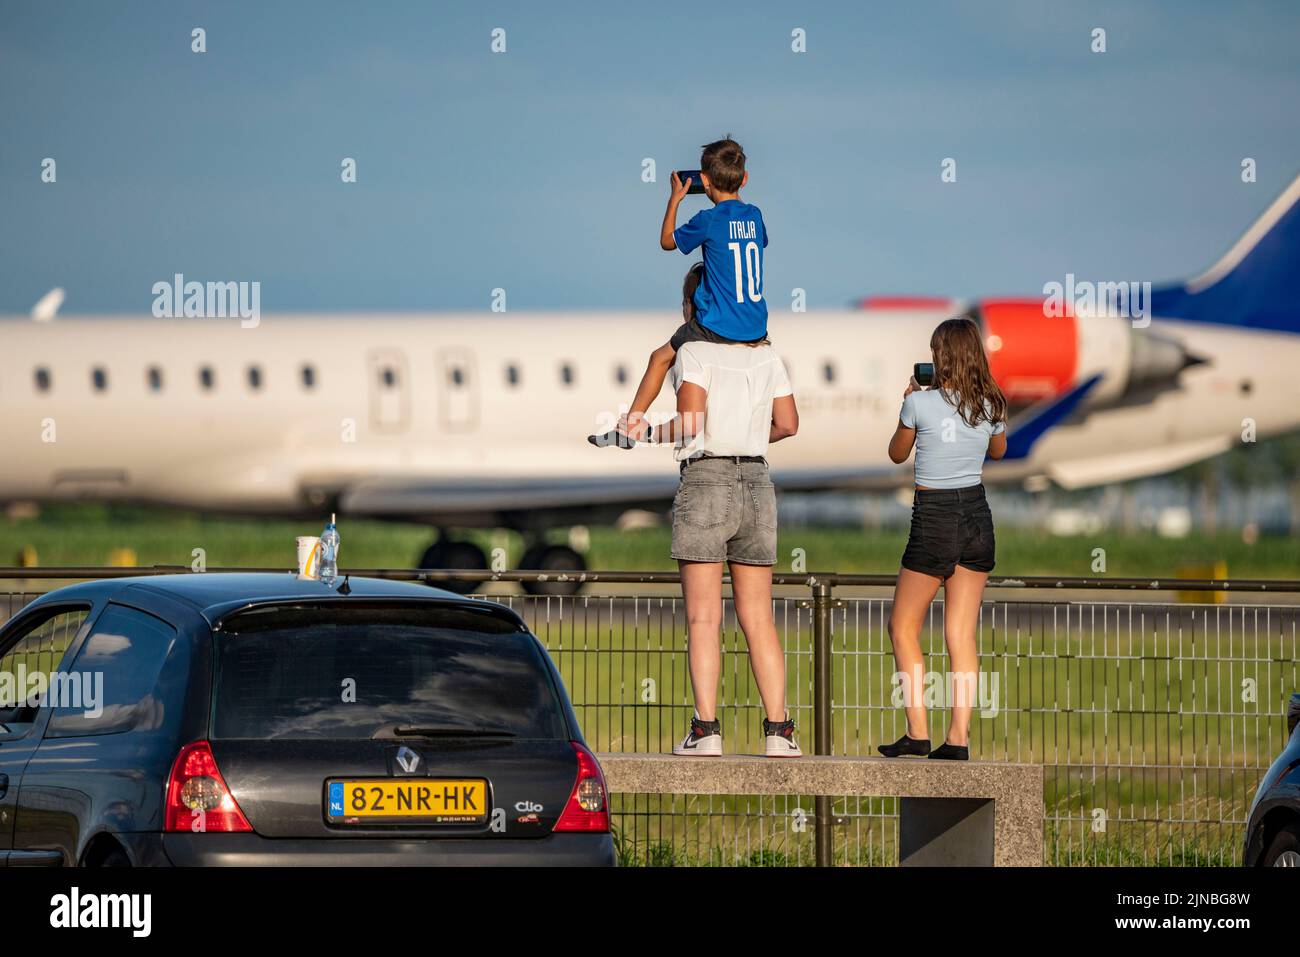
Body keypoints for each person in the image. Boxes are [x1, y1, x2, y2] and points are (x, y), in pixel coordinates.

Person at [642, 333, 800, 757]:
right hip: (758, 481)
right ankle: (779, 731)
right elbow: (787, 424)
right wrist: (744, 436)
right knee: (759, 618)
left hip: (706, 477)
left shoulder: (693, 352)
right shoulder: (768, 355)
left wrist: (647, 430)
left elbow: (690, 424)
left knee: (703, 619)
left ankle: (706, 730)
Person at [878, 317, 1009, 761]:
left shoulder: (920, 404)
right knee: (961, 634)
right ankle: (958, 739)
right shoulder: (990, 404)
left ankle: (917, 730)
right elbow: (999, 451)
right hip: (977, 515)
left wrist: (908, 403)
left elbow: (897, 453)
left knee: (903, 627)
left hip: (934, 517)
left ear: (941, 358)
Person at [590, 136, 769, 448]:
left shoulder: (708, 219)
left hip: (721, 324)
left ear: (703, 180)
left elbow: (667, 241)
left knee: (659, 357)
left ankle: (630, 426)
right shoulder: (754, 215)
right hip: (756, 324)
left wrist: (675, 199)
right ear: (745, 178)